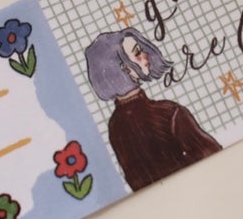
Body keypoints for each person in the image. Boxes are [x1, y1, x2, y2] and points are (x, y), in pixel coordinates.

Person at [84, 28, 221, 191]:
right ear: (124, 68)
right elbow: (213, 154)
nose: (146, 55)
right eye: (138, 53)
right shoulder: (169, 113)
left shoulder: (114, 126)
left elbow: (135, 180)